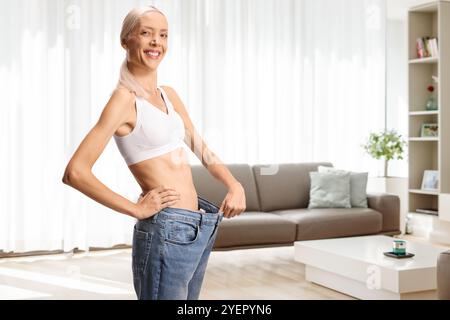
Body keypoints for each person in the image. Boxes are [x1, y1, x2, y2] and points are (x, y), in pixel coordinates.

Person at [62, 5, 246, 300]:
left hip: (198, 223)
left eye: (163, 35)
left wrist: (234, 184)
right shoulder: (124, 100)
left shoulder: (169, 94)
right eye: (145, 33)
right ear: (126, 40)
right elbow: (75, 172)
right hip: (166, 228)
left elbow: (203, 150)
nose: (156, 42)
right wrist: (135, 209)